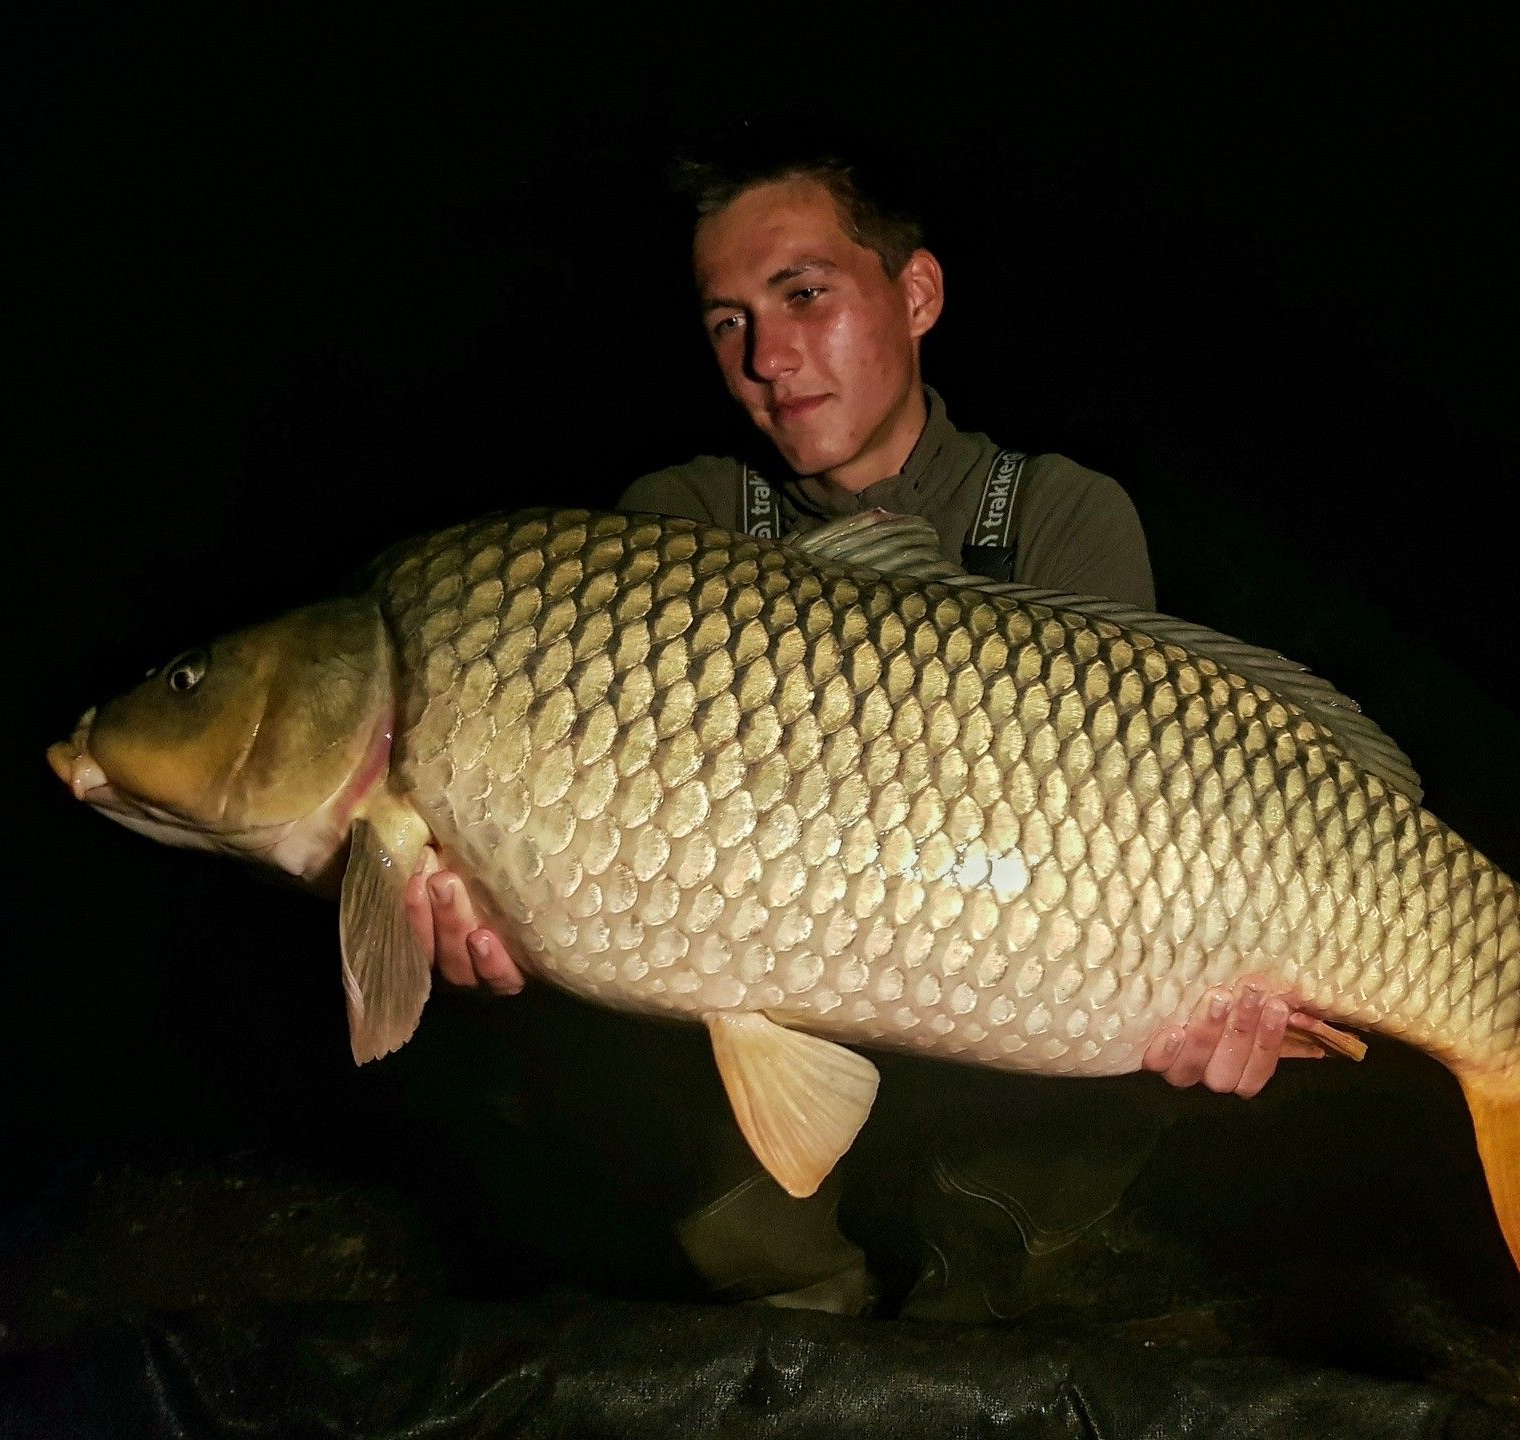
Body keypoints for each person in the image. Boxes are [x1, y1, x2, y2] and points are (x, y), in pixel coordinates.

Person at [406, 147, 1333, 1318]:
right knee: (650, 1082)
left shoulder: (1059, 515)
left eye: (804, 295)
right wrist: (505, 912)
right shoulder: (676, 527)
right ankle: (792, 1312)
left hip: (1018, 1029)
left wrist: (1206, 1013)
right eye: (727, 321)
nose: (766, 360)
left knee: (1113, 1086)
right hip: (773, 1032)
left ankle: (976, 1294)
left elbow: (1137, 850)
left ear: (918, 295)